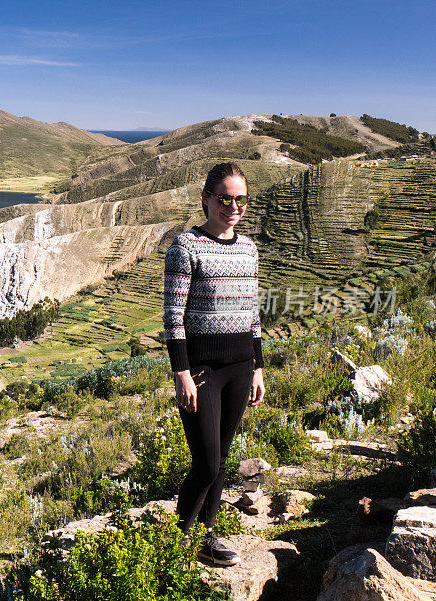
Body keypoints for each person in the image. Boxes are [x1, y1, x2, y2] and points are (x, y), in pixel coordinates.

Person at [163, 162, 266, 566]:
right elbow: (173, 318)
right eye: (224, 198)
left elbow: (252, 313)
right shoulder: (185, 247)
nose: (233, 207)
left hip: (240, 366)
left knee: (220, 459)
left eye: (240, 199)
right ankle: (170, 543)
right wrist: (182, 373)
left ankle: (207, 537)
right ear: (206, 198)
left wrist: (258, 366)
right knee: (205, 463)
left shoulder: (248, 249)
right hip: (202, 371)